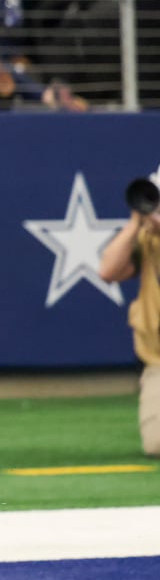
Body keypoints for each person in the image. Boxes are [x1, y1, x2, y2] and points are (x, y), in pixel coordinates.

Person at [97, 188, 160, 456]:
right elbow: (108, 271)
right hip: (158, 361)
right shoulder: (147, 239)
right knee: (157, 444)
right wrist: (135, 223)